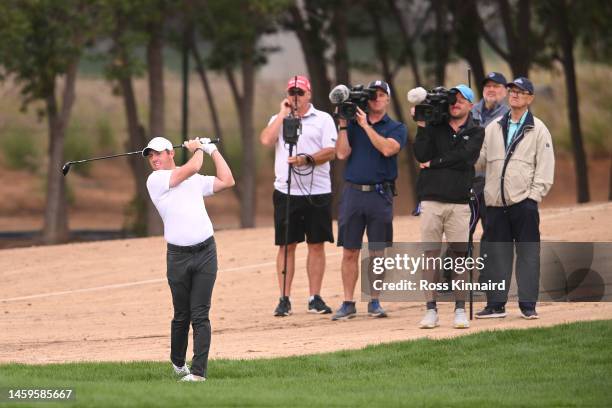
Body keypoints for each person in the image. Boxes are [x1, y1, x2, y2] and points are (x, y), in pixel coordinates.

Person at [144, 136, 235, 382]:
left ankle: (198, 373)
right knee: (181, 314)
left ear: (170, 153)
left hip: (206, 252)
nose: (154, 159)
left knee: (200, 314)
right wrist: (198, 149)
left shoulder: (193, 180)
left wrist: (212, 150)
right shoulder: (156, 180)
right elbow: (193, 166)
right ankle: (177, 362)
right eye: (150, 155)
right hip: (177, 257)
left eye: (158, 154)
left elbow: (227, 180)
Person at [475, 77, 555, 320]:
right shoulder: (492, 127)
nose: (515, 95)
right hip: (495, 205)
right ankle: (495, 305)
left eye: (521, 92)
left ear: (530, 98)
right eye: (512, 91)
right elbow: (478, 161)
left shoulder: (538, 129)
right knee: (496, 254)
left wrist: (533, 198)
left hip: (524, 204)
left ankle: (528, 305)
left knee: (528, 254)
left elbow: (545, 168)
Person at [259, 75, 337, 317]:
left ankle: (315, 297)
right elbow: (266, 140)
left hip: (318, 191)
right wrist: (283, 115)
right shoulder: (279, 118)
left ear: (309, 95)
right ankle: (284, 298)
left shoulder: (323, 119)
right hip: (286, 190)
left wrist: (307, 159)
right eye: (292, 92)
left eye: (300, 93)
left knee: (316, 244)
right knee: (286, 245)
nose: (295, 97)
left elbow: (331, 151)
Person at [333, 80, 407, 320]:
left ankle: (374, 300)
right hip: (353, 193)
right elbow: (342, 153)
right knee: (349, 251)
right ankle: (347, 302)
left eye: (381, 94)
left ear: (387, 99)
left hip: (379, 194)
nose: (376, 98)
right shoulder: (352, 124)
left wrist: (365, 125)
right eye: (372, 94)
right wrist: (344, 125)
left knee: (376, 252)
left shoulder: (396, 127)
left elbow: (387, 149)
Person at [412, 84, 484, 329]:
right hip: (431, 200)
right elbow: (420, 155)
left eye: (462, 99)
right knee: (430, 256)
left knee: (459, 257)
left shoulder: (476, 131)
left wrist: (434, 163)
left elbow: (466, 158)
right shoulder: (434, 125)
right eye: (453, 99)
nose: (456, 103)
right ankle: (430, 310)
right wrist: (421, 125)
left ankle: (460, 310)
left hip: (459, 202)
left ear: (470, 105)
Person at [470, 72, 510, 243]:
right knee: (460, 233)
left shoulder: (510, 115)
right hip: (469, 182)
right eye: (488, 86)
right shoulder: (470, 111)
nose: (491, 89)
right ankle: (455, 269)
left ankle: (491, 269)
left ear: (505, 91)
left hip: (494, 183)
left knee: (493, 234)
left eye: (496, 86)